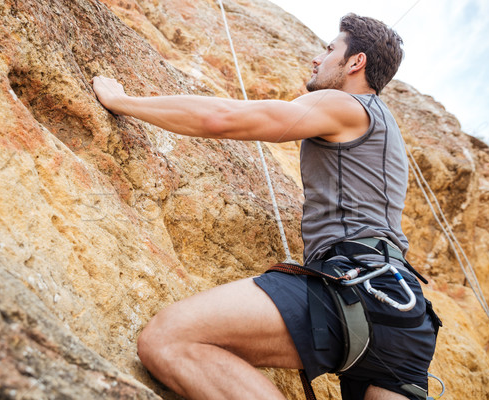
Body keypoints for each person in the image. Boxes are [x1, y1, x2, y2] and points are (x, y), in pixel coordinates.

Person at [92, 13, 438, 400]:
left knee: (169, 339)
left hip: (355, 287)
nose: (316, 60)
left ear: (356, 62)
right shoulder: (385, 129)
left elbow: (222, 119)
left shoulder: (344, 105)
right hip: (407, 319)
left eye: (328, 50)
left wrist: (122, 101)